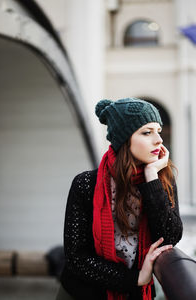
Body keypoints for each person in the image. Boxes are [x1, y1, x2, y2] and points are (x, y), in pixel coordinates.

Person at [57, 98, 183, 300]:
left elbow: (169, 237)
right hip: (82, 294)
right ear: (124, 139)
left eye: (158, 131)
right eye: (146, 132)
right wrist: (133, 278)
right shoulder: (86, 184)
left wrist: (151, 179)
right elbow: (76, 258)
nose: (158, 139)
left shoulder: (162, 182)